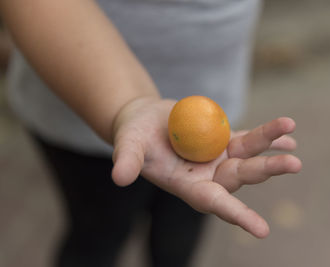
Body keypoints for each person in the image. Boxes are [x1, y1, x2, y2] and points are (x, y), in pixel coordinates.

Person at [0, 0, 302, 267]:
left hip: (215, 105)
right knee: (98, 236)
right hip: (81, 107)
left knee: (180, 234)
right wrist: (126, 106)